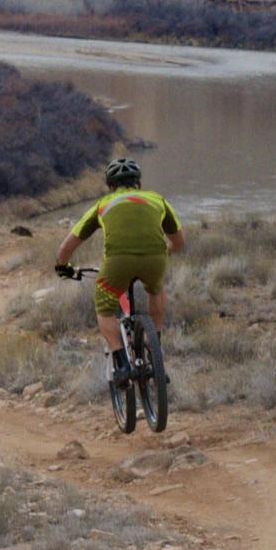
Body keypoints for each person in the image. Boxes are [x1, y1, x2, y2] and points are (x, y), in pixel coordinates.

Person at [54, 158, 185, 384]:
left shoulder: (102, 205)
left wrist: (63, 267)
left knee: (104, 308)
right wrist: (163, 254)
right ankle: (156, 356)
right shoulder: (158, 200)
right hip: (155, 259)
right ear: (140, 184)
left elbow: (66, 247)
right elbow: (179, 243)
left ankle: (122, 363)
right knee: (156, 291)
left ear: (110, 187)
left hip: (117, 262)